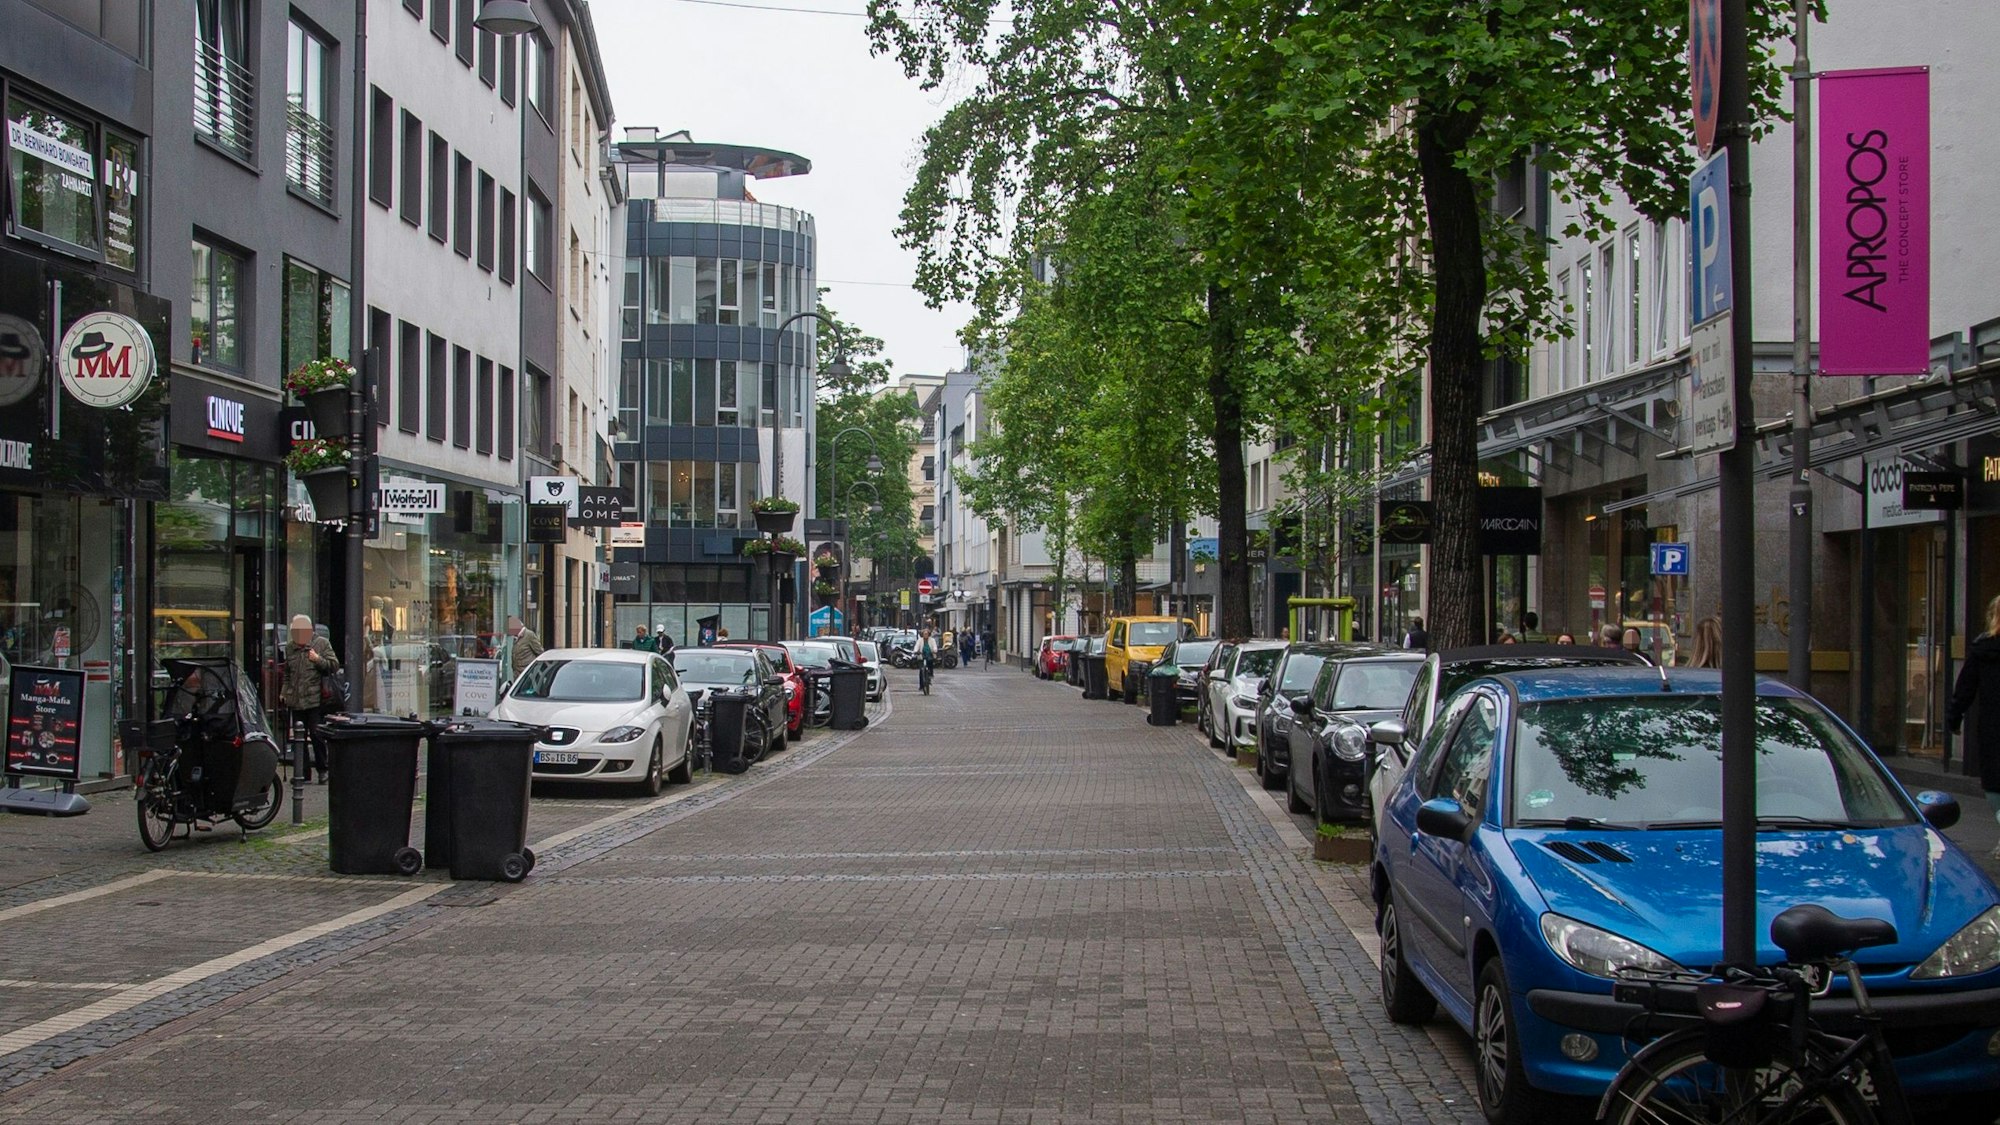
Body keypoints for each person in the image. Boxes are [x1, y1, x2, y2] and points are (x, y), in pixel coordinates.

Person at [1947, 594, 2000, 858]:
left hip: (1993, 724)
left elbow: (1965, 687)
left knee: (1994, 782)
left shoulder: (1983, 648)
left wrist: (1954, 717)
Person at [279, 614, 339, 783]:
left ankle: (323, 770)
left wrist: (318, 659)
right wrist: (284, 692)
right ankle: (303, 773)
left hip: (315, 700)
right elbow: (287, 674)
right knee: (299, 738)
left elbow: (333, 665)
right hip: (296, 700)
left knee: (316, 735)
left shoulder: (321, 644)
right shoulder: (290, 648)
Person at [917, 627, 937, 694]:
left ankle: (930, 674)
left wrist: (934, 650)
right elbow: (916, 646)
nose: (925, 635)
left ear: (929, 634)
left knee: (930, 663)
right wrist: (916, 651)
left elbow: (934, 646)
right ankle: (921, 685)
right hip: (921, 655)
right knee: (921, 670)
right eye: (924, 634)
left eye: (927, 634)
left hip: (929, 655)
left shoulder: (932, 640)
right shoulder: (920, 640)